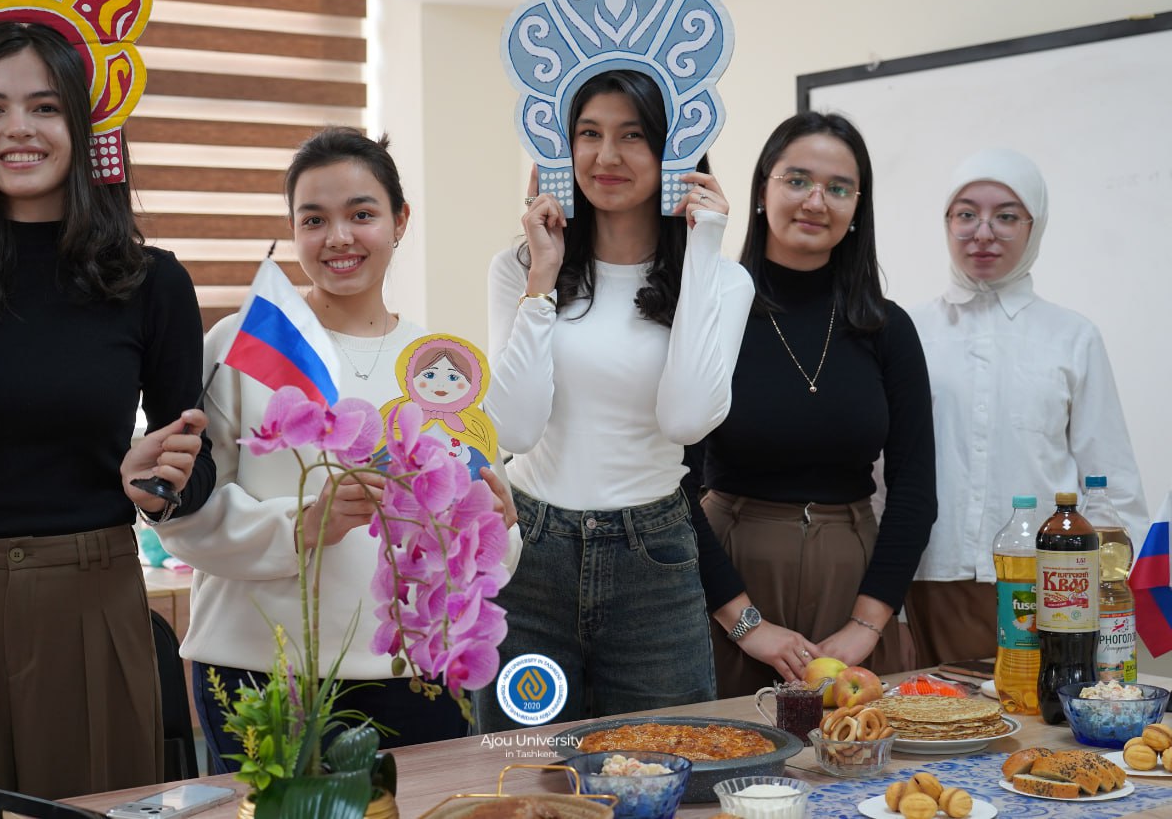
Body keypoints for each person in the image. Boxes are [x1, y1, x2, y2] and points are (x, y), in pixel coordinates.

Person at [0, 21, 214, 816]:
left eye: (45, 106)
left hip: (92, 594)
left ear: (86, 124)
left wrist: (160, 483)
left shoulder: (151, 282)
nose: (19, 129)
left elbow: (194, 462)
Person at [157, 127, 520, 771]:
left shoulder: (440, 367)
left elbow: (482, 541)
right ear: (292, 231)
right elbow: (181, 517)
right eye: (314, 220)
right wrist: (305, 524)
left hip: (413, 676)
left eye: (362, 214)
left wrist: (500, 528)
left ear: (400, 221)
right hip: (259, 675)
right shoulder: (241, 345)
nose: (339, 238)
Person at [477, 68, 754, 730]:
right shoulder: (517, 269)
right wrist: (543, 279)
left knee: (667, 767)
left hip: (652, 558)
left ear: (674, 151)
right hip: (529, 551)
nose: (606, 156)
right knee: (525, 771)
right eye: (589, 133)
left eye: (633, 135)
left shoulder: (724, 282)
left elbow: (686, 418)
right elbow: (513, 428)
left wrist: (704, 246)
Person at [689, 111, 937, 698]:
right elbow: (674, 487)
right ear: (762, 191)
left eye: (839, 188)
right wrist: (746, 624)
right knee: (725, 743)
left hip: (854, 579)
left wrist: (866, 624)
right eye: (797, 180)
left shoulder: (888, 328)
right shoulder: (710, 313)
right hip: (728, 576)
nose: (816, 201)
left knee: (857, 743)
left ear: (857, 208)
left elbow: (915, 490)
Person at [906, 148, 1147, 667]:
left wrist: (1120, 589)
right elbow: (884, 469)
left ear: (1034, 226)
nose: (983, 232)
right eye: (966, 214)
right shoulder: (908, 330)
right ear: (947, 222)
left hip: (1051, 580)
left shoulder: (1072, 337)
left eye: (1007, 216)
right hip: (928, 575)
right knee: (933, 711)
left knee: (1043, 712)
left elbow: (1111, 479)